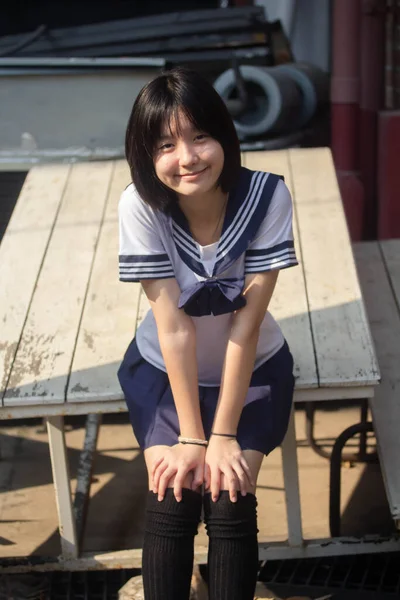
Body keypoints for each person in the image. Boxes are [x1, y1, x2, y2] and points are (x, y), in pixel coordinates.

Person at [117, 66, 298, 600]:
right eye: (167, 144)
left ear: (226, 136)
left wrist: (221, 437)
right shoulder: (140, 205)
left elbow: (248, 319)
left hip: (255, 368)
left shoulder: (267, 197)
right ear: (146, 154)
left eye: (201, 136)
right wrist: (194, 437)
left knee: (228, 492)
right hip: (165, 373)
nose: (188, 157)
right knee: (172, 494)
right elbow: (173, 329)